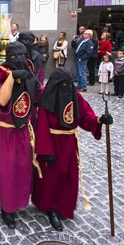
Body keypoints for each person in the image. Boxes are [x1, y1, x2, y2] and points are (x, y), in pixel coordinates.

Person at [32, 67, 111, 231]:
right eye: (63, 84)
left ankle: (63, 206)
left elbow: (85, 115)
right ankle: (51, 208)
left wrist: (99, 119)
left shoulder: (75, 97)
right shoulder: (48, 100)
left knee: (68, 175)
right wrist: (46, 152)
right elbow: (42, 126)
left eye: (69, 83)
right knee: (52, 178)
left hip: (69, 143)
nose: (67, 87)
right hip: (53, 143)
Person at [0, 42, 41, 229]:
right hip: (3, 132)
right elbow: (0, 100)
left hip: (23, 130)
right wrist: (11, 78)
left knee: (23, 167)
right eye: (15, 58)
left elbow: (40, 96)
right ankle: (7, 207)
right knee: (7, 170)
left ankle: (20, 199)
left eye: (22, 57)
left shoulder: (29, 76)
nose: (19, 61)